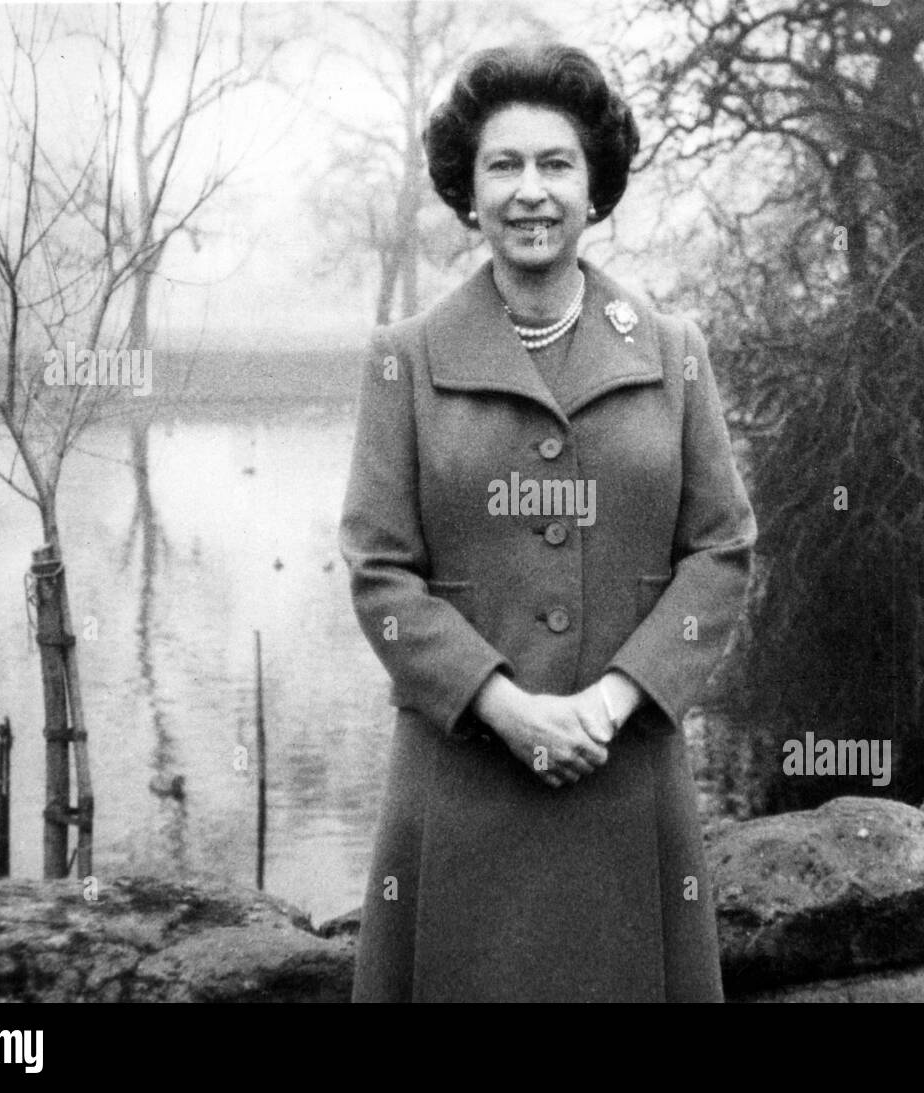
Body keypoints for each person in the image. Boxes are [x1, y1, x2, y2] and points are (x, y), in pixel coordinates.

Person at [339, 41, 756, 1002]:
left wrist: (608, 703)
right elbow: (379, 571)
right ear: (469, 191)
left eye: (556, 163)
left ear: (595, 184)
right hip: (458, 793)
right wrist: (509, 711)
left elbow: (722, 550)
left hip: (627, 780)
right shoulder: (404, 359)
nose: (532, 191)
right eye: (505, 165)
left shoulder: (673, 352)